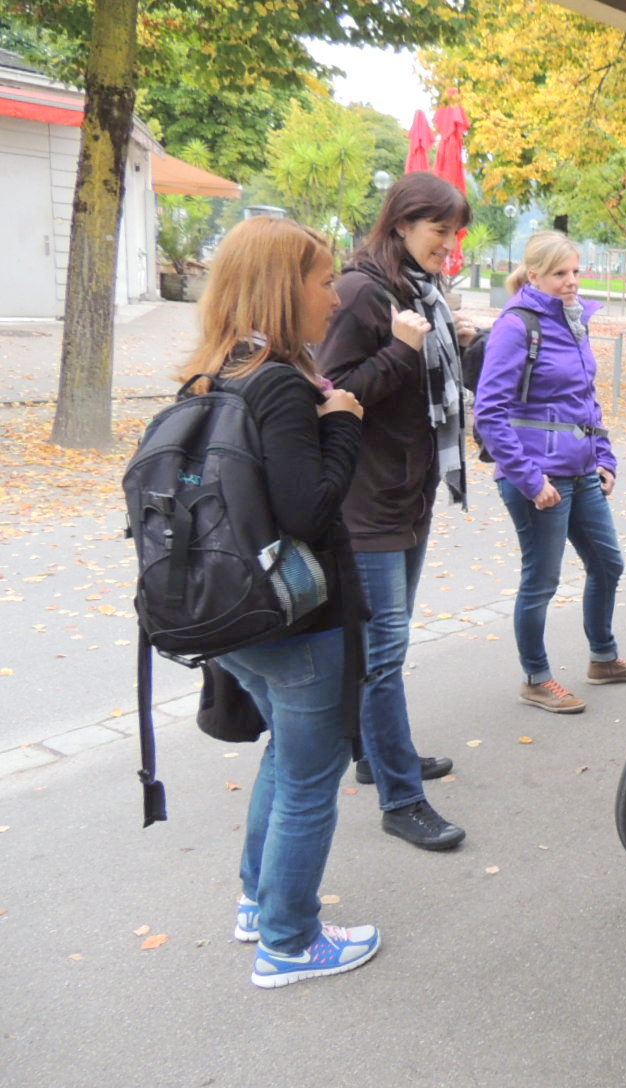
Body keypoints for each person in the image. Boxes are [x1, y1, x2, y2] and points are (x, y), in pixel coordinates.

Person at [178, 216, 380, 987]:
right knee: (309, 778)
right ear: (281, 288)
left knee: (287, 758)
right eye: (324, 281)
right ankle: (289, 942)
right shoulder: (282, 385)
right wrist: (345, 425)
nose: (335, 297)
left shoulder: (213, 373)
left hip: (232, 613)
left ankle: (258, 904)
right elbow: (309, 510)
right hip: (297, 621)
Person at [318, 171, 473, 853]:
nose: (449, 244)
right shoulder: (361, 291)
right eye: (440, 230)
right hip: (369, 502)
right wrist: (401, 350)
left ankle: (375, 753)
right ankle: (401, 798)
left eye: (454, 233)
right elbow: (333, 392)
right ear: (403, 222)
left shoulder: (419, 291)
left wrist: (454, 342)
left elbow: (425, 389)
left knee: (384, 644)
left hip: (409, 493)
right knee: (384, 655)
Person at [475, 231, 626, 712]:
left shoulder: (574, 321)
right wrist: (531, 481)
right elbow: (489, 413)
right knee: (542, 582)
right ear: (533, 275)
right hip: (538, 478)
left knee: (608, 563)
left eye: (575, 270)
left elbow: (585, 399)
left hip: (581, 471)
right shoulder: (517, 325)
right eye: (560, 273)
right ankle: (536, 678)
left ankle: (603, 659)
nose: (572, 281)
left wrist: (605, 457)